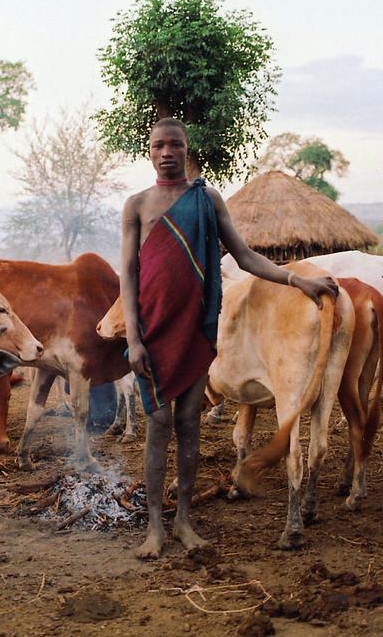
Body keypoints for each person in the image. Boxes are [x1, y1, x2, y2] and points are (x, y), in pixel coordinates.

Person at [120, 118, 338, 559]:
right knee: (158, 428)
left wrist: (298, 280)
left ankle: (184, 519)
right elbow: (128, 273)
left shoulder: (207, 201)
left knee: (188, 425)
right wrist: (134, 337)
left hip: (197, 329)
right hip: (153, 331)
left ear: (186, 150)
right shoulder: (137, 205)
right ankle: (155, 527)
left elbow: (244, 255)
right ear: (149, 153)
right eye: (159, 146)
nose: (167, 153)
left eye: (175, 145)